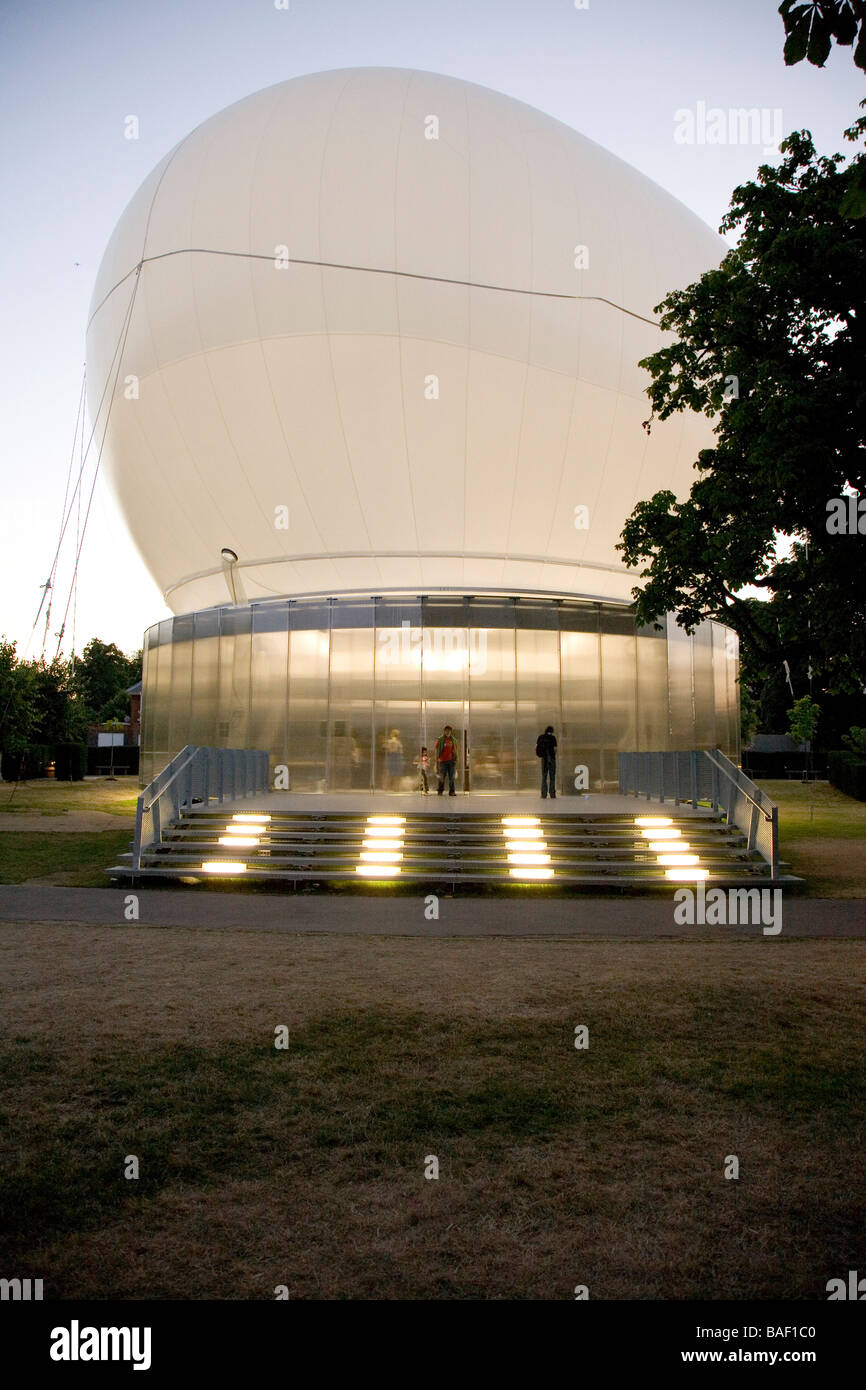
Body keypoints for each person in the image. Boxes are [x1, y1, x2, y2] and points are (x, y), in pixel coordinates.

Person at [434, 725, 459, 796]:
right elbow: (436, 749)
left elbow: (455, 750)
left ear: (451, 732)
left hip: (451, 761)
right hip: (442, 761)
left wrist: (457, 757)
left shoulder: (453, 740)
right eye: (446, 730)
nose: (447, 732)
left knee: (452, 777)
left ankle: (452, 791)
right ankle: (440, 790)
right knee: (442, 777)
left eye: (449, 731)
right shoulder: (441, 739)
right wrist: (436, 759)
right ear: (444, 731)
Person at [536, 725, 557, 799]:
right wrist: (552, 755)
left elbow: (537, 747)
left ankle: (543, 794)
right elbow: (555, 749)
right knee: (552, 777)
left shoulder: (541, 737)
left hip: (544, 759)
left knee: (544, 777)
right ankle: (552, 794)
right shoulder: (553, 738)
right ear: (552, 731)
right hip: (551, 759)